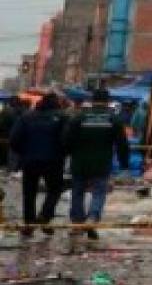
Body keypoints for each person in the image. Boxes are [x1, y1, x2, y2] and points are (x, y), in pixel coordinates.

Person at [63, 87, 130, 240]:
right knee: (99, 192)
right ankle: (92, 218)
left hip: (79, 162)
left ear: (92, 100)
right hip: (102, 163)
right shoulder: (113, 120)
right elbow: (122, 144)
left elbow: (66, 140)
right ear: (108, 102)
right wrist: (124, 164)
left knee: (77, 192)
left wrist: (68, 154)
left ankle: (77, 223)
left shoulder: (79, 118)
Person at [9, 94, 67, 237]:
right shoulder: (62, 117)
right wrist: (63, 153)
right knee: (54, 190)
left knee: (29, 193)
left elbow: (14, 139)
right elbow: (67, 138)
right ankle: (45, 217)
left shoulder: (26, 117)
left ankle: (29, 224)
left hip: (29, 160)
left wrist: (23, 153)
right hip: (54, 161)